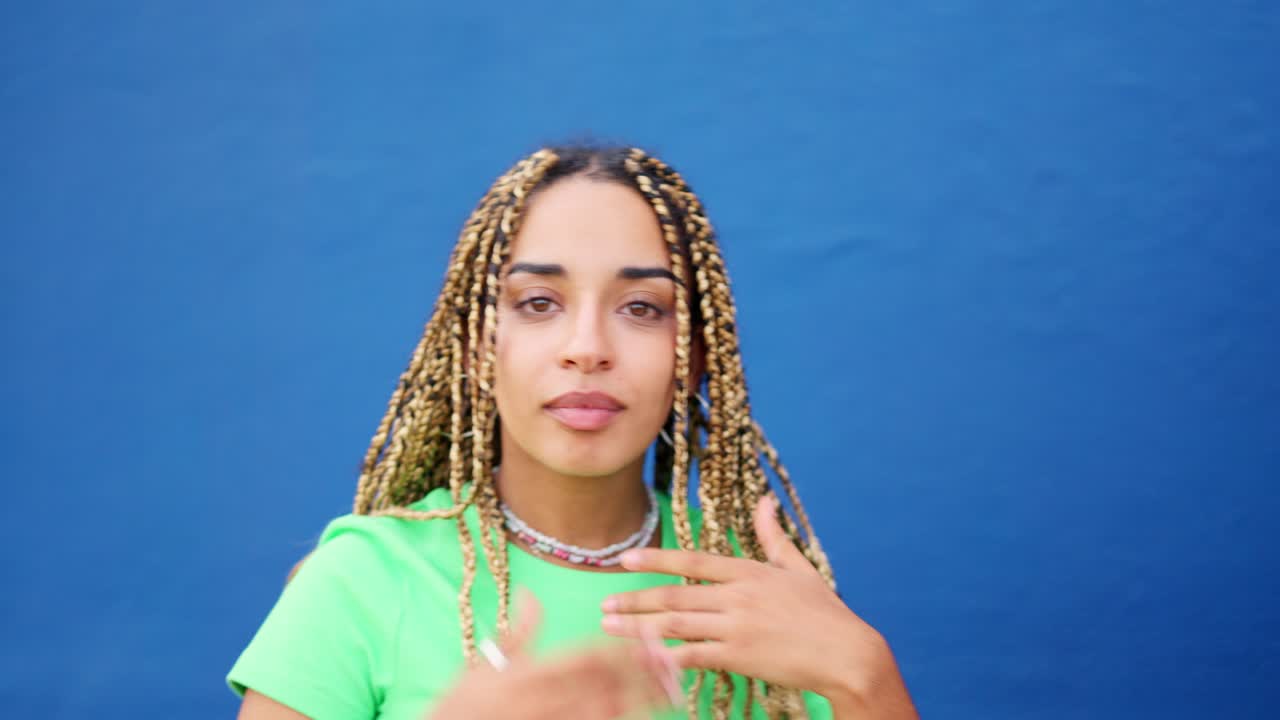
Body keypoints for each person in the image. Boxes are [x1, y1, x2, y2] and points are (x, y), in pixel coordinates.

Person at [228, 145, 919, 719]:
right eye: (538, 303)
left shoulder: (754, 599)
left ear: (695, 357)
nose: (587, 346)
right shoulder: (362, 580)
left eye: (643, 308)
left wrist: (870, 680)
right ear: (476, 345)